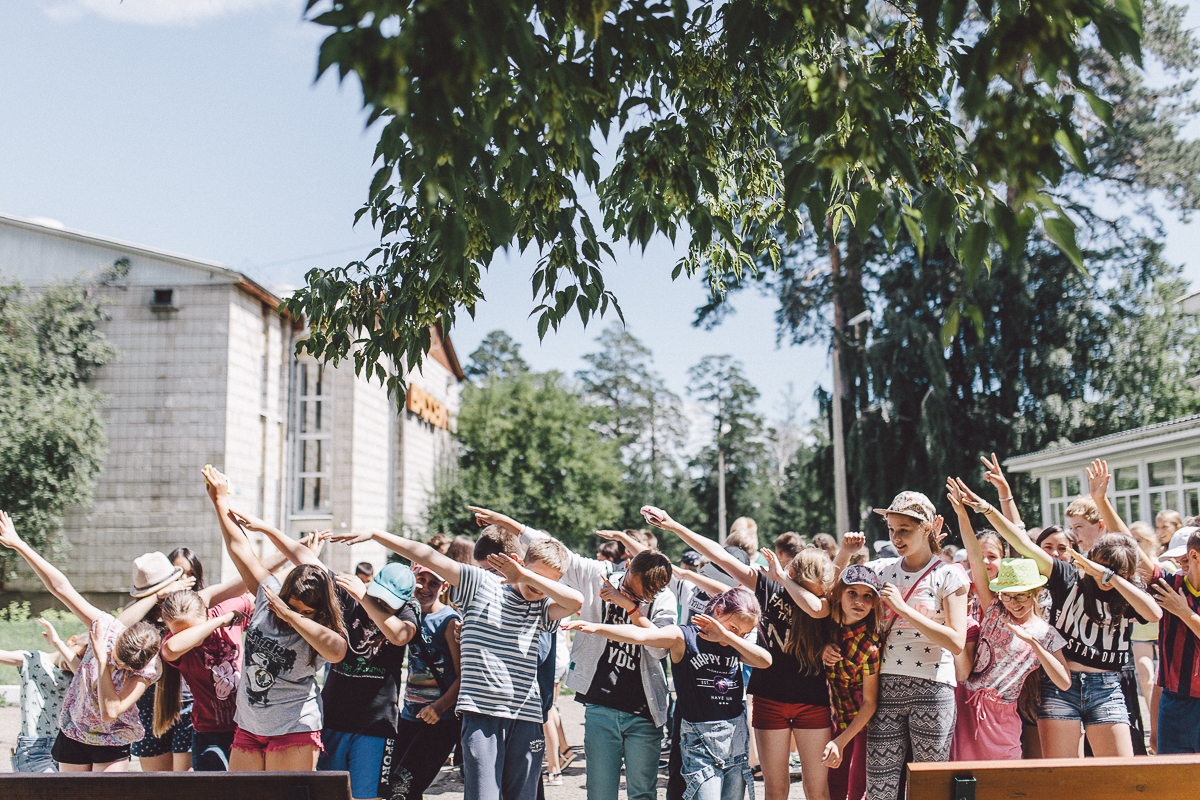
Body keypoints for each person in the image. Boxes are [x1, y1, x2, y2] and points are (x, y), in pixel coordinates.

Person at [331, 521, 583, 800]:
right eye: (536, 576)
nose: (541, 587)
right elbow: (428, 556)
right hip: (482, 713)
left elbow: (576, 602)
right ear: (519, 561)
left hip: (526, 716)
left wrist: (528, 577)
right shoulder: (480, 582)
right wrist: (376, 535)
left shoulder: (544, 604)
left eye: (550, 582)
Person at [954, 467, 1162, 758]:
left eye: (1112, 571)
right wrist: (988, 507)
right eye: (1099, 566)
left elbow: (1154, 614)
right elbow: (1022, 544)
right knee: (1061, 777)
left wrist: (1111, 578)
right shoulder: (1067, 577)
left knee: (1119, 776)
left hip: (1106, 687)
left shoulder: (1127, 593)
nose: (1102, 576)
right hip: (1056, 688)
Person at [473, 508, 676, 800]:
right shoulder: (599, 574)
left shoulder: (663, 598)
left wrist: (631, 607)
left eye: (643, 596)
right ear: (627, 565)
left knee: (643, 793)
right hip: (601, 702)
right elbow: (556, 551)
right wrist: (506, 523)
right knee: (599, 792)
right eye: (631, 588)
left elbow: (658, 648)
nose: (634, 595)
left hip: (644, 708)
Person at [643, 506, 833, 800]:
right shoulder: (769, 586)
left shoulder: (821, 602)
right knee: (776, 788)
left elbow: (815, 608)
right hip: (770, 696)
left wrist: (784, 579)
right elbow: (720, 555)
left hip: (812, 699)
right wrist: (674, 526)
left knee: (817, 790)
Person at [203, 466, 350, 771]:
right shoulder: (267, 594)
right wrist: (219, 501)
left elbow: (337, 651)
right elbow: (239, 548)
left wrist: (290, 616)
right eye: (291, 606)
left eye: (306, 612)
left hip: (294, 726)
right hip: (248, 723)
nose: (295, 614)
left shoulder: (322, 628)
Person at [566, 587, 772, 800]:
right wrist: (596, 628)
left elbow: (765, 661)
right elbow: (643, 635)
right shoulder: (683, 636)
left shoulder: (733, 644)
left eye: (743, 634)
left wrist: (728, 636)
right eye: (734, 627)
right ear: (718, 611)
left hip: (734, 738)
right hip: (700, 740)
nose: (737, 635)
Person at [0, 510, 162, 772]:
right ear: (119, 638)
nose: (115, 665)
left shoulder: (147, 669)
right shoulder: (106, 627)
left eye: (121, 667)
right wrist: (19, 544)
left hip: (112, 738)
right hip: (74, 731)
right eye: (114, 658)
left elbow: (111, 711)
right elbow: (61, 588)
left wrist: (101, 660)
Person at [947, 479, 1071, 761]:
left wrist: (1036, 644)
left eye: (1022, 596)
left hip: (1003, 713)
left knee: (1003, 779)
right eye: (1008, 595)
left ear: (1035, 594)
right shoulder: (995, 609)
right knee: (961, 778)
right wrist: (961, 512)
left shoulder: (1045, 631)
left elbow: (1064, 682)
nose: (1014, 602)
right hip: (967, 702)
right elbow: (976, 559)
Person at [859, 492, 968, 800]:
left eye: (904, 529)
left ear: (928, 528)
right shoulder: (880, 569)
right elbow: (837, 597)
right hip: (885, 687)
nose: (896, 537)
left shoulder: (949, 574)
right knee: (880, 789)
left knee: (928, 790)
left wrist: (904, 611)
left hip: (933, 689)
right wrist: (844, 553)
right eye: (891, 529)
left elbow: (957, 641)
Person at [157, 589, 252, 771]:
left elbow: (262, 591)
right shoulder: (176, 642)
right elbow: (170, 648)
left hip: (246, 727)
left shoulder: (224, 610)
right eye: (183, 632)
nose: (195, 638)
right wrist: (219, 621)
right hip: (210, 732)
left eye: (195, 628)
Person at [390, 563, 462, 800]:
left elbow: (464, 675)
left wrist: (439, 706)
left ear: (445, 587)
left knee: (403, 787)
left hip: (440, 720)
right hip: (410, 715)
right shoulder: (409, 614)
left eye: (434, 583)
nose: (426, 587)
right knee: (398, 785)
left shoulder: (449, 620)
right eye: (421, 580)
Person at [814, 564, 883, 800]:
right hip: (826, 718)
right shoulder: (824, 624)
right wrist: (821, 649)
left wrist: (841, 741)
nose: (859, 602)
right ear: (839, 594)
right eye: (852, 593)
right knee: (830, 786)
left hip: (857, 726)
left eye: (867, 596)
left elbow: (870, 702)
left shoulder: (870, 645)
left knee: (855, 789)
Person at [1, 617, 82, 772]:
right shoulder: (34, 659)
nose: (74, 661)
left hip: (68, 747)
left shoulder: (81, 676)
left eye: (82, 660)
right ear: (72, 641)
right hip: (34, 749)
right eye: (77, 655)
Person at [1152, 526, 1200, 753]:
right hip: (1175, 702)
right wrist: (1101, 501)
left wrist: (1185, 612)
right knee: (1172, 782)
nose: (1181, 565)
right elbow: (1136, 557)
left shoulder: (1175, 598)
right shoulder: (1170, 587)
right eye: (1178, 560)